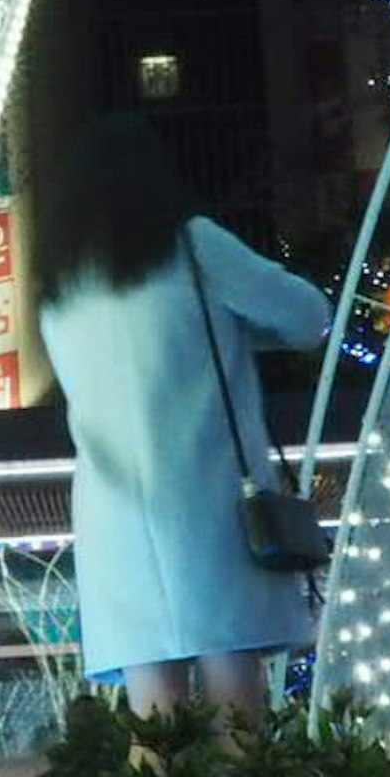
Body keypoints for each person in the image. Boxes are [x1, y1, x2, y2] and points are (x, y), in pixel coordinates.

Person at [31, 112, 330, 727]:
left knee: (153, 726)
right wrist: (239, 336)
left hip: (115, 523)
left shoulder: (61, 288)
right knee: (235, 708)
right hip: (210, 506)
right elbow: (306, 317)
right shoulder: (192, 244)